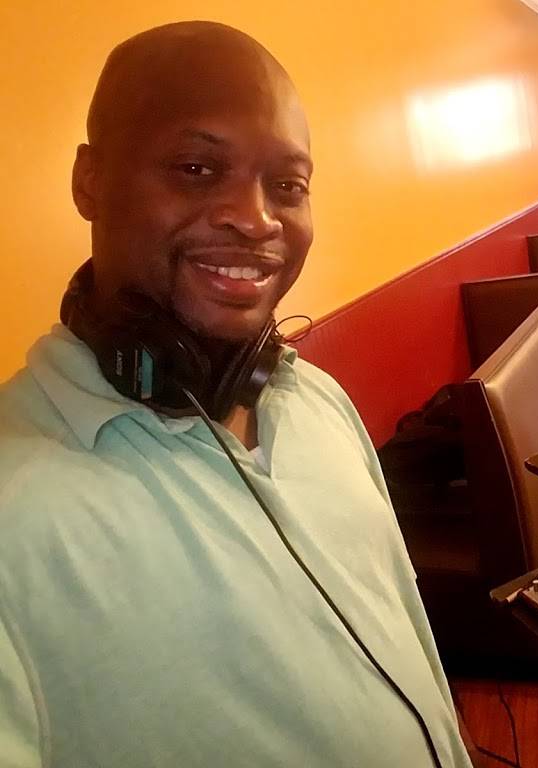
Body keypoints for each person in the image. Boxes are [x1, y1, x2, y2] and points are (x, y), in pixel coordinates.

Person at [0, 22, 473, 767]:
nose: (256, 219)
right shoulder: (15, 504)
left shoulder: (315, 398)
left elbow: (406, 640)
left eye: (288, 186)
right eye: (195, 168)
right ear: (89, 181)